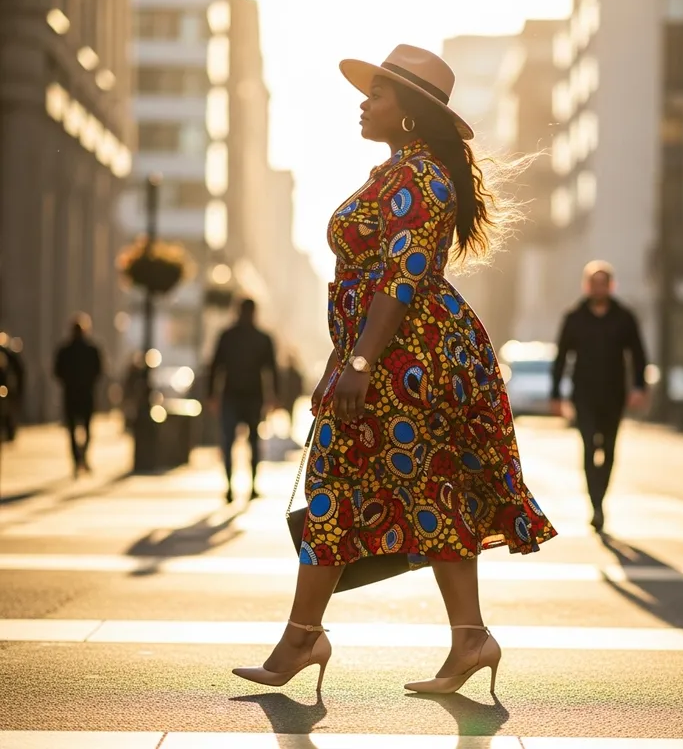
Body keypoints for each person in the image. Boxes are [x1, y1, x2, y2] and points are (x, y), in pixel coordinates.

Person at [232, 45, 556, 694]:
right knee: (400, 486)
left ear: (408, 113)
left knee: (383, 483)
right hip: (392, 356)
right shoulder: (396, 174)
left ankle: (312, 637)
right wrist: (341, 358)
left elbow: (402, 277)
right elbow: (367, 283)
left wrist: (358, 360)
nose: (364, 102)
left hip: (413, 361)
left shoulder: (420, 178)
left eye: (377, 94)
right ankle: (460, 639)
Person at [549, 261, 648, 533]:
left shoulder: (624, 317)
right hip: (584, 395)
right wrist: (556, 394)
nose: (599, 287)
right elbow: (560, 358)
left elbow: (638, 354)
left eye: (604, 283)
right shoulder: (574, 317)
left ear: (611, 286)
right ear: (587, 286)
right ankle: (596, 506)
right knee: (590, 447)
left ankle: (600, 498)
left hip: (615, 394)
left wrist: (640, 387)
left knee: (610, 449)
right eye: (594, 283)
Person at [208, 299, 279, 503]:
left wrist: (212, 395)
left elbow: (215, 366)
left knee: (229, 441)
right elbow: (272, 369)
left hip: (234, 395)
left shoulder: (228, 336)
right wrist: (274, 396)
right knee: (253, 442)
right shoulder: (262, 338)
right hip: (251, 395)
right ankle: (250, 487)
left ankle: (231, 487)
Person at [54, 315, 103, 476]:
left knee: (73, 429)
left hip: (72, 394)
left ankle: (78, 459)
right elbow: (99, 371)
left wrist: (69, 381)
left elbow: (57, 371)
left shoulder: (65, 350)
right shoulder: (91, 349)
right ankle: (81, 458)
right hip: (85, 394)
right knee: (86, 429)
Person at [0, 334, 25, 442]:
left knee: (8, 412)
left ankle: (10, 431)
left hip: (7, 389)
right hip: (8, 389)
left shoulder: (9, 356)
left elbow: (18, 372)